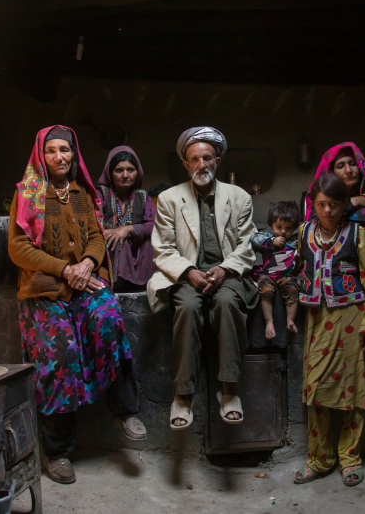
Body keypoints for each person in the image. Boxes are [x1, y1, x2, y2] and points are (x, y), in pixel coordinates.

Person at [8, 125, 146, 485]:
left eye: (65, 151)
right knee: (60, 355)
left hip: (84, 282)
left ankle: (125, 412)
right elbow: (18, 248)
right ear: (41, 155)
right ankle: (57, 452)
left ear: (74, 155)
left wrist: (86, 263)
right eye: (51, 151)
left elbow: (98, 237)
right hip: (46, 288)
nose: (59, 157)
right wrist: (64, 269)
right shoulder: (28, 195)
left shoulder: (83, 193)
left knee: (109, 319)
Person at [150, 126, 258, 429]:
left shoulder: (239, 197)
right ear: (185, 164)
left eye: (207, 158)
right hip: (187, 277)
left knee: (226, 303)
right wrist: (189, 272)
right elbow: (163, 250)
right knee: (187, 307)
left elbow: (247, 244)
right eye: (194, 160)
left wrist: (224, 269)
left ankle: (230, 390)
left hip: (228, 274)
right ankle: (183, 395)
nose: (201, 165)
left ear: (217, 161)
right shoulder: (169, 199)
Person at [295, 172, 365, 487]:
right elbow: (291, 268)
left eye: (334, 204)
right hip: (318, 321)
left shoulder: (358, 235)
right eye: (321, 204)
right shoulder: (303, 232)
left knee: (353, 394)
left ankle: (350, 458)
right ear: (312, 204)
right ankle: (320, 459)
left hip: (354, 320)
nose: (328, 210)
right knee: (316, 391)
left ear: (344, 204)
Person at [307, 141, 365, 286]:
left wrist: (336, 218)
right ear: (331, 172)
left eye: (352, 163)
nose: (349, 170)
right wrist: (351, 203)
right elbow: (315, 220)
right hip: (337, 270)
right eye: (341, 166)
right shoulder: (323, 195)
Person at [97, 146, 156, 291]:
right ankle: (115, 282)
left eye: (130, 170)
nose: (125, 175)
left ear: (137, 173)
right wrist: (111, 232)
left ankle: (141, 283)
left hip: (137, 253)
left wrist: (128, 229)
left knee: (150, 240)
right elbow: (90, 223)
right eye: (119, 170)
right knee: (117, 240)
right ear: (110, 173)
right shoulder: (100, 195)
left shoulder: (142, 196)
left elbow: (154, 224)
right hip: (109, 250)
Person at [250, 200, 301, 339]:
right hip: (269, 275)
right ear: (271, 224)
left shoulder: (295, 241)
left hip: (287, 276)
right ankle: (269, 322)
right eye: (279, 227)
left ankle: (290, 320)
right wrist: (271, 242)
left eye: (289, 228)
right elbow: (254, 238)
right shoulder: (267, 237)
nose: (283, 232)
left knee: (293, 289)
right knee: (264, 288)